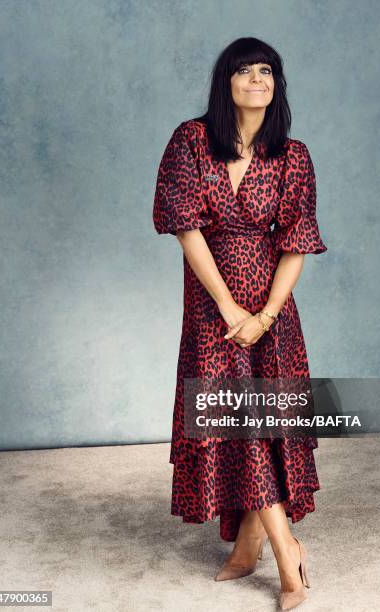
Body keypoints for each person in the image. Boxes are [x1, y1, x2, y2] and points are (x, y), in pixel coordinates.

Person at [152, 37, 327, 611]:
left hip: (273, 314)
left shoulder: (293, 154)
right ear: (224, 81)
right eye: (245, 70)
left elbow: (297, 242)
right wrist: (230, 309)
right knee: (238, 423)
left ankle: (268, 549)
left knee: (261, 425)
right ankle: (280, 547)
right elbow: (184, 227)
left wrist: (267, 314)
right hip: (213, 309)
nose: (258, 79)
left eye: (267, 70)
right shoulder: (191, 140)